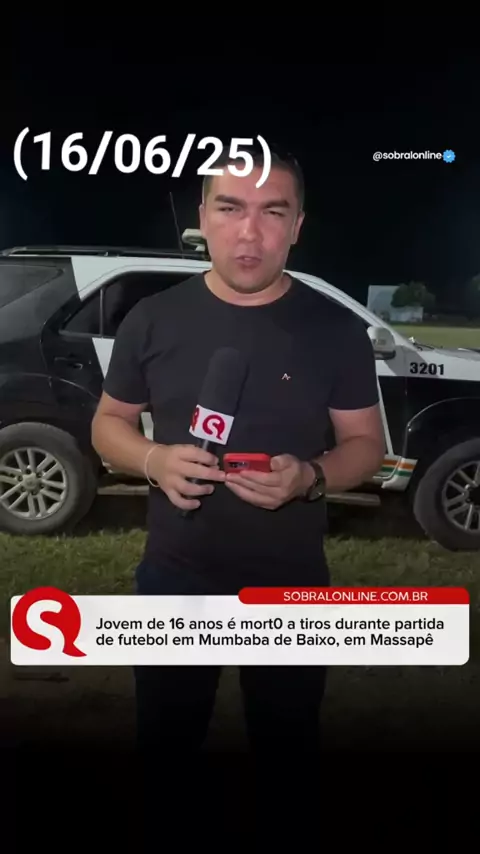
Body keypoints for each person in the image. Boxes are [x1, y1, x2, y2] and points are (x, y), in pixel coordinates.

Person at [91, 144, 385, 822]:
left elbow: (366, 445)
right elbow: (108, 423)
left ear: (297, 226)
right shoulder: (152, 318)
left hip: (289, 583)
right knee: (164, 743)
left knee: (287, 750)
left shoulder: (336, 329)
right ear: (202, 217)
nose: (249, 232)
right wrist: (154, 460)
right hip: (174, 576)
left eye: (272, 212)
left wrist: (311, 476)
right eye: (230, 208)